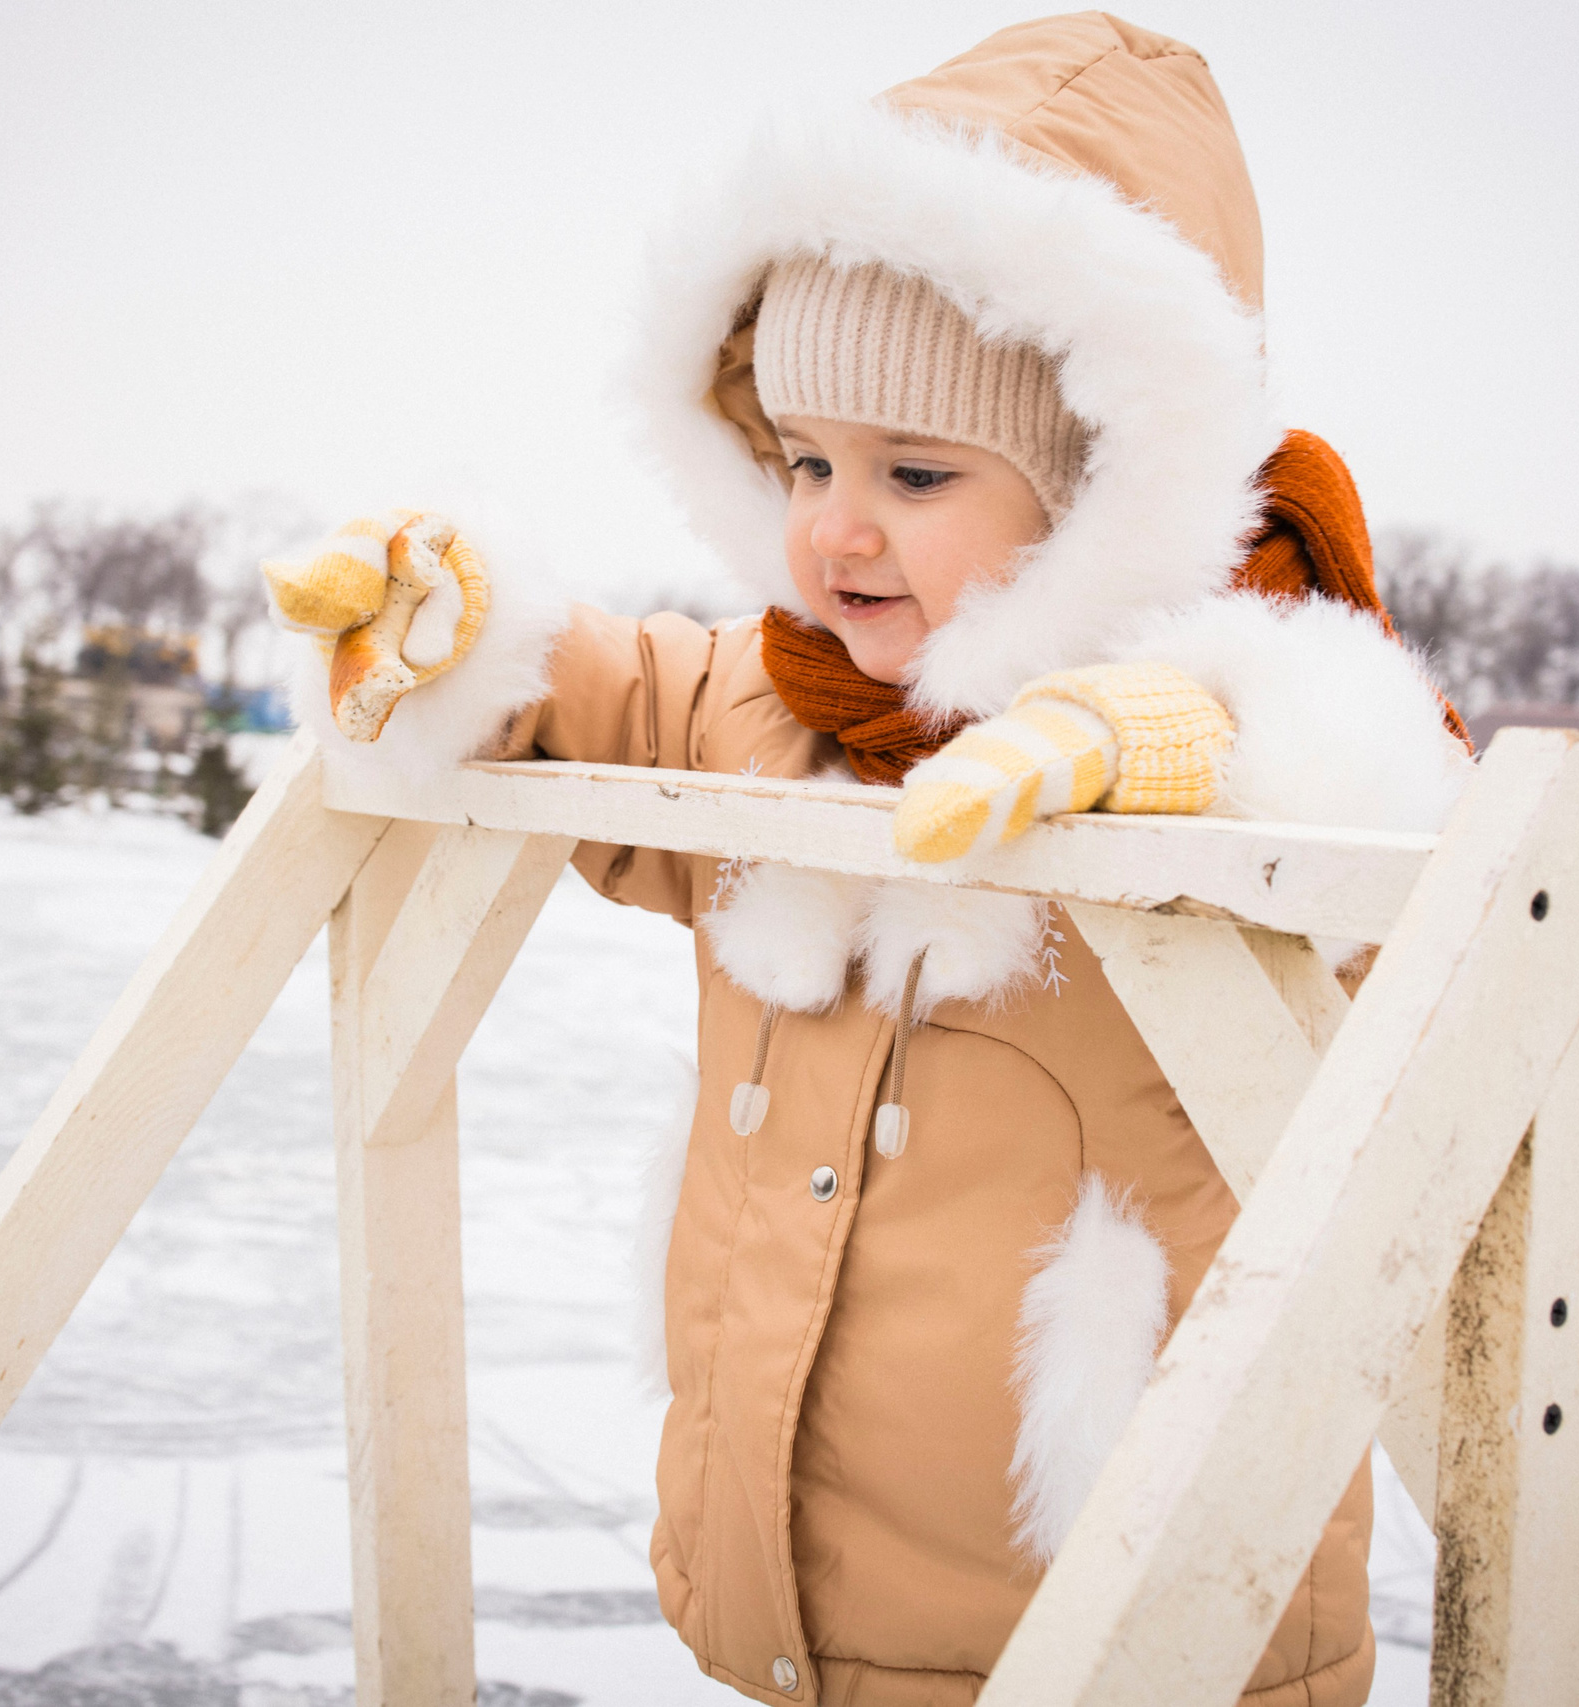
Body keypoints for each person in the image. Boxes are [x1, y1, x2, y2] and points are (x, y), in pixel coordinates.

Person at [267, 16, 1471, 1705]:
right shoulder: (781, 709)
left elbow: (1389, 843)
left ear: (1109, 485)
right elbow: (607, 688)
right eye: (807, 461)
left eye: (915, 472)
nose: (835, 524)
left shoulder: (1264, 714)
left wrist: (1182, 746)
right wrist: (460, 626)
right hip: (794, 1589)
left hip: (1145, 1631)